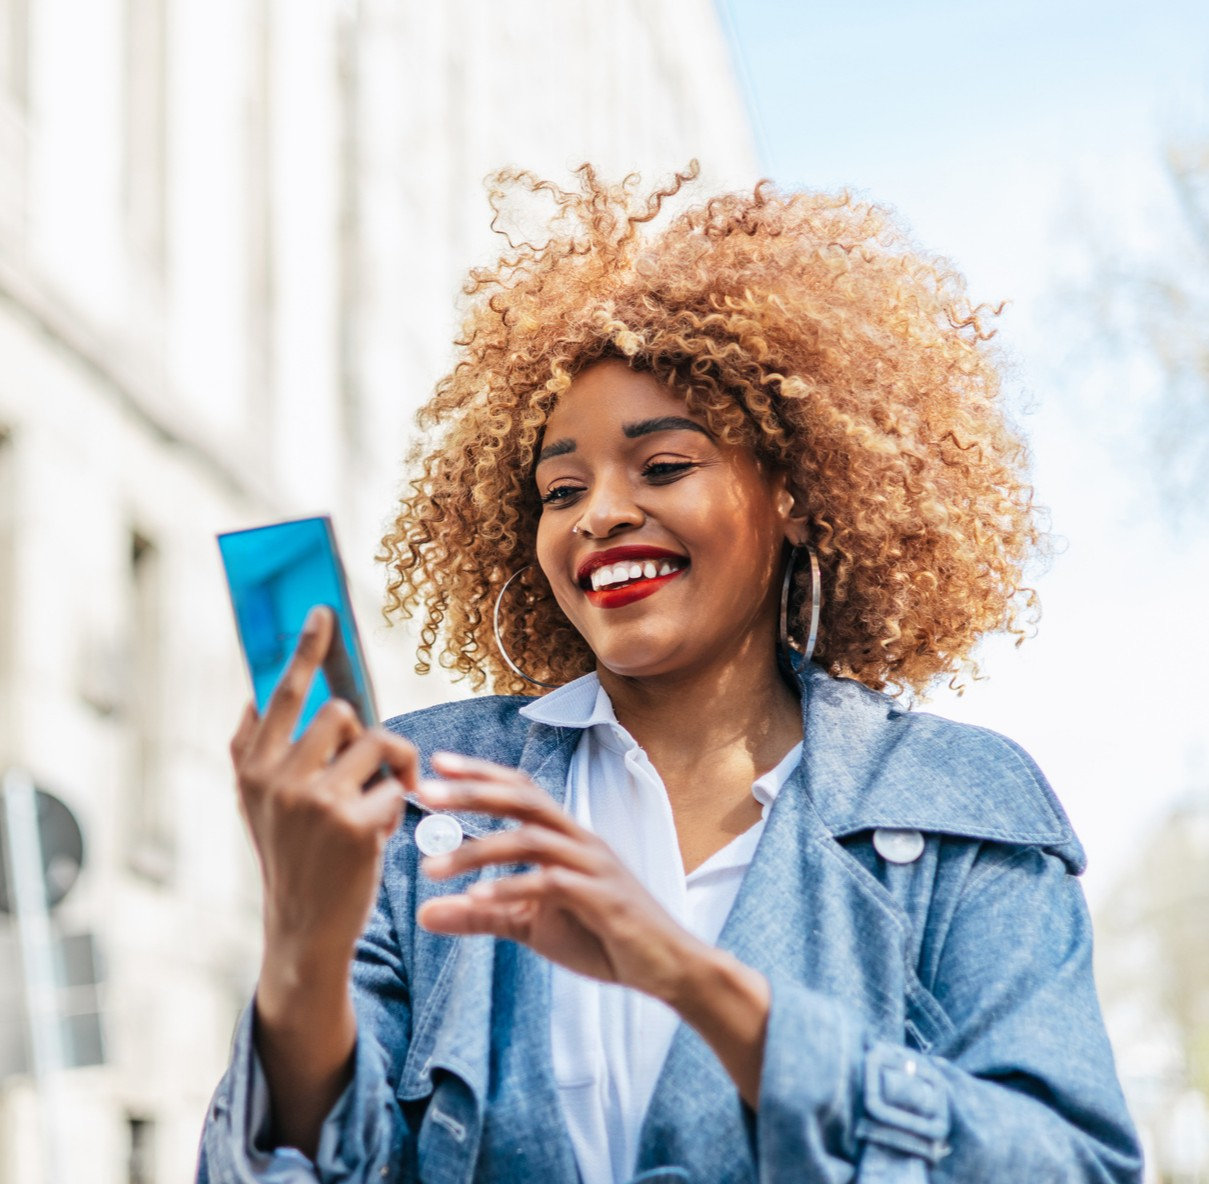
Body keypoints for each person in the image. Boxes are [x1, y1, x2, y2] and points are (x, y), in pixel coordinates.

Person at [198, 165, 1142, 1183]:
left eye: (663, 467)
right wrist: (301, 945)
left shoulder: (959, 805)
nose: (598, 512)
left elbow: (1071, 1164)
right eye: (561, 489)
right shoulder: (428, 790)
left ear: (793, 492)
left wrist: (698, 983)